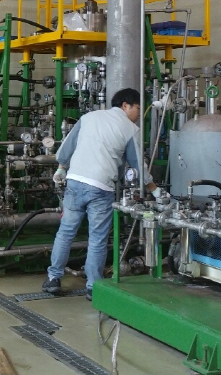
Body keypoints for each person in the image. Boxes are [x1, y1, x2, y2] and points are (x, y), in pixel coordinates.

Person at [42, 87, 161, 299]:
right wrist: (155, 190)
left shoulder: (88, 117)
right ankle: (93, 286)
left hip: (75, 181)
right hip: (101, 188)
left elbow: (68, 146)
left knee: (66, 232)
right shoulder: (130, 129)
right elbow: (137, 166)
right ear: (125, 105)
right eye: (137, 108)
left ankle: (53, 278)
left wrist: (61, 169)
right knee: (97, 238)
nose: (139, 114)